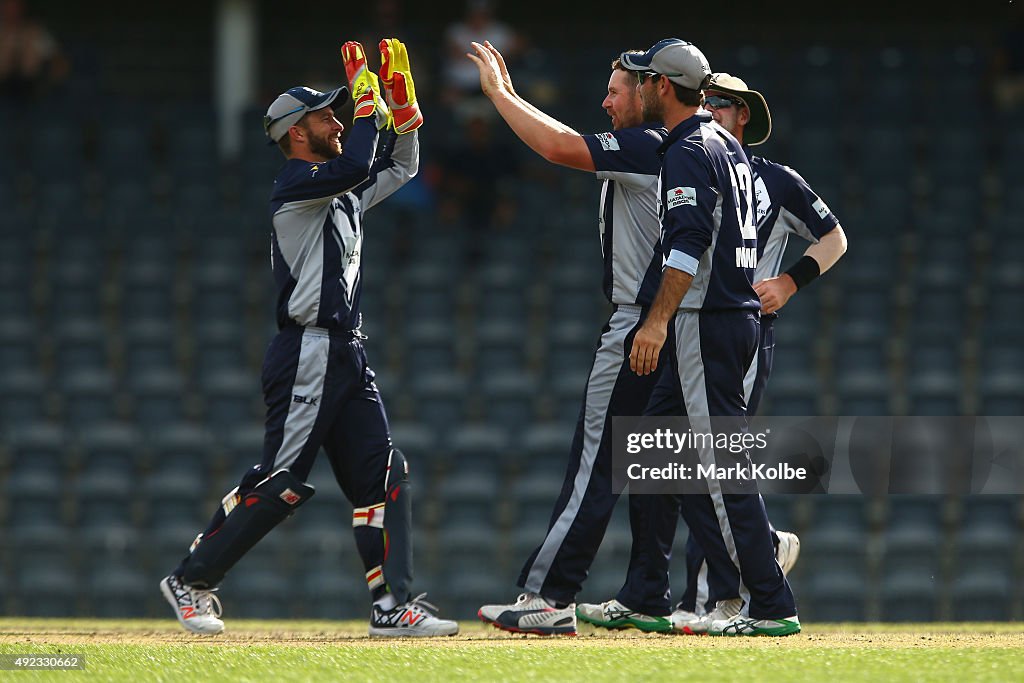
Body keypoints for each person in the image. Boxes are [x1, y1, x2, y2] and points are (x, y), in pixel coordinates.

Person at [159, 39, 457, 638]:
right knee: (281, 482)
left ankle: (392, 606)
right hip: (308, 351)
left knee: (383, 474)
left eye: (342, 112)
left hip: (346, 351)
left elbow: (399, 167)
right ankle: (191, 579)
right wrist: (373, 112)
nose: (339, 119)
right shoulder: (296, 184)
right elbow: (355, 167)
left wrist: (402, 112)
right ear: (297, 133)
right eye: (326, 115)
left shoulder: (338, 188)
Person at [577, 72, 848, 635]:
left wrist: (791, 282)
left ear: (743, 113)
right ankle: (662, 588)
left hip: (726, 325)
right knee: (657, 456)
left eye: (720, 104)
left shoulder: (765, 176)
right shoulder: (702, 159)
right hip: (696, 322)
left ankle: (740, 595)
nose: (711, 110)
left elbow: (834, 237)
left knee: (714, 461)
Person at [465, 40, 675, 636]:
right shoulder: (696, 149)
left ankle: (549, 595)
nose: (604, 101)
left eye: (614, 91)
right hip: (687, 321)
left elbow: (559, 146)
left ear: (650, 90)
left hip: (642, 320)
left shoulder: (647, 145)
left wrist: (502, 96)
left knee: (600, 461)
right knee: (663, 467)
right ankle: (729, 560)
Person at [611, 38, 801, 637]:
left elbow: (687, 246)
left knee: (718, 469)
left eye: (643, 82)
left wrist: (657, 320)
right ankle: (646, 594)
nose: (638, 89)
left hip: (704, 320)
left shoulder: (691, 149)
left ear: (662, 88)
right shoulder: (723, 145)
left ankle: (769, 601)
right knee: (654, 455)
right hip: (727, 317)